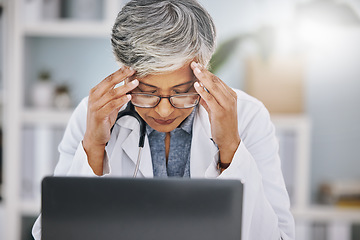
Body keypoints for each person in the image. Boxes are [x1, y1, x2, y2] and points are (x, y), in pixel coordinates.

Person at [32, 0, 295, 239]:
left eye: (182, 92)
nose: (165, 111)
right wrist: (93, 148)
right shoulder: (93, 115)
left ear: (204, 71)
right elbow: (53, 233)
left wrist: (230, 149)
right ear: (125, 75)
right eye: (147, 92)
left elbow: (278, 237)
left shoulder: (248, 116)